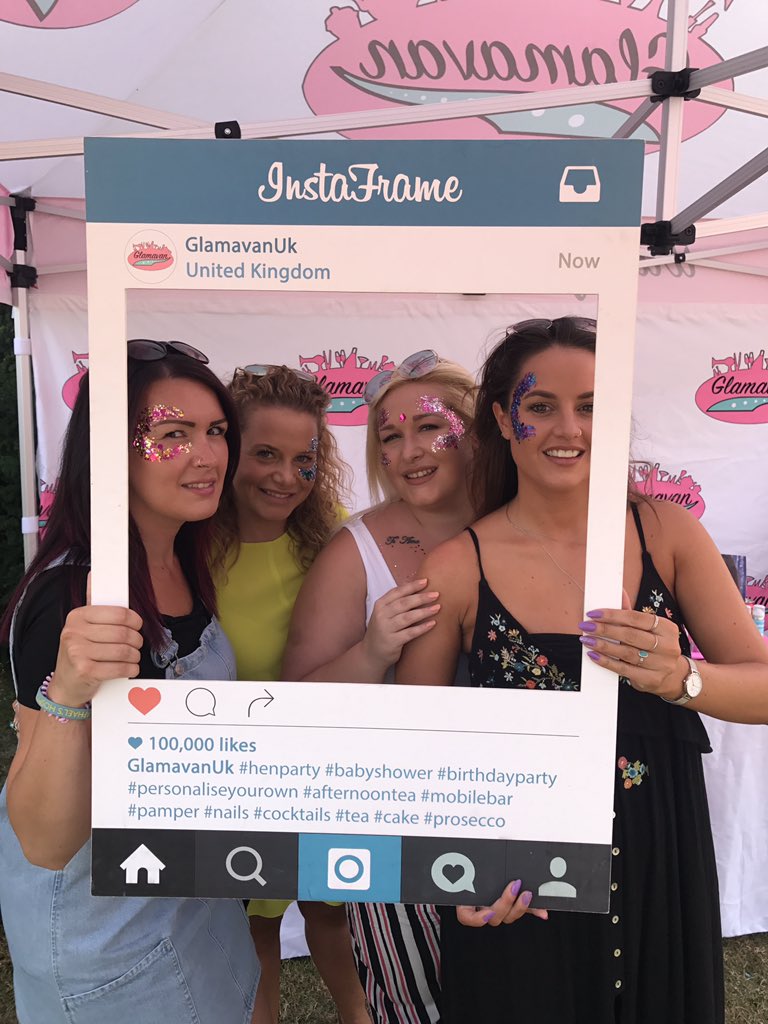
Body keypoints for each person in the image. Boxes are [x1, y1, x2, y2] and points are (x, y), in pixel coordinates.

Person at [395, 317, 768, 1024]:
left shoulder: (666, 534)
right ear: (502, 420)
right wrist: (449, 877)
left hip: (659, 860)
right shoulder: (457, 567)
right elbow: (416, 749)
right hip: (521, 882)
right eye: (541, 406)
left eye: (591, 406)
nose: (569, 428)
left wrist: (683, 679)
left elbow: (762, 686)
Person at [0, 340, 259, 1023]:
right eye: (172, 434)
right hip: (110, 952)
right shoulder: (69, 599)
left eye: (215, 431)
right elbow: (45, 841)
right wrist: (69, 693)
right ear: (110, 449)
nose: (207, 456)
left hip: (188, 909)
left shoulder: (182, 561)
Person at [283, 350, 477, 1024]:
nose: (407, 451)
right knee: (416, 1001)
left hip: (518, 812)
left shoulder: (530, 525)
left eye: (429, 427)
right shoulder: (354, 551)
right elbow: (295, 702)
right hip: (395, 828)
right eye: (389, 437)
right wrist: (372, 652)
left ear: (477, 431)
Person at [212, 365, 369, 1024]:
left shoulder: (335, 536)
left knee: (331, 911)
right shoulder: (189, 550)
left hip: (321, 764)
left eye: (304, 460)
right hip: (233, 774)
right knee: (256, 928)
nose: (286, 476)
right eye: (265, 454)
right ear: (228, 453)